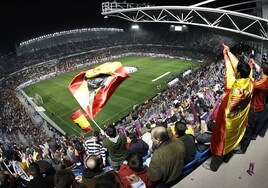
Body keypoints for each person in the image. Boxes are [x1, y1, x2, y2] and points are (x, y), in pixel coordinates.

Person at [203, 43, 253, 171]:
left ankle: (214, 165)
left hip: (228, 121)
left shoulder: (236, 90)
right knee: (232, 139)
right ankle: (226, 155)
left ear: (239, 73)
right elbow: (240, 67)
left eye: (237, 70)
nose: (235, 70)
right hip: (240, 119)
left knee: (221, 140)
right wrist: (228, 53)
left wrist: (227, 57)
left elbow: (228, 108)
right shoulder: (250, 81)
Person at [235, 62, 268, 154]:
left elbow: (251, 84)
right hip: (260, 107)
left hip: (255, 109)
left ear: (262, 70)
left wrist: (245, 74)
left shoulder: (263, 82)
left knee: (248, 130)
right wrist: (252, 64)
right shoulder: (266, 79)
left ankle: (243, 149)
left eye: (260, 68)